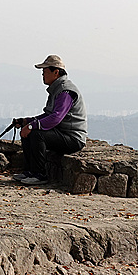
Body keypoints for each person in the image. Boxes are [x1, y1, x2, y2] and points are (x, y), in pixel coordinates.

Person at [13, 55, 88, 186]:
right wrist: (26, 121)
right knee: (29, 131)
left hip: (73, 138)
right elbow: (48, 115)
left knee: (36, 134)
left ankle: (39, 175)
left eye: (45, 71)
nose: (43, 74)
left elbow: (56, 117)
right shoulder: (56, 89)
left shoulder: (65, 91)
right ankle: (29, 171)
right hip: (62, 133)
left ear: (56, 72)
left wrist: (31, 126)